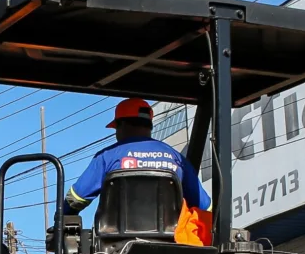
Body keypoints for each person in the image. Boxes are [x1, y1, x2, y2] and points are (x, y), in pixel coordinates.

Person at [65, 98, 213, 245]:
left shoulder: (107, 156)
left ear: (121, 125)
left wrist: (63, 219)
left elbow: (77, 197)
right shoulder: (177, 159)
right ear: (149, 126)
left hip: (114, 245)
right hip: (171, 243)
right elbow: (205, 206)